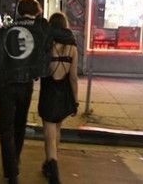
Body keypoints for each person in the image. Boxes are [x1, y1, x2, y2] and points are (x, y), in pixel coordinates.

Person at [0, 0, 50, 184]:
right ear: (36, 11)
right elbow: (46, 56)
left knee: (5, 129)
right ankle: (15, 159)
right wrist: (38, 73)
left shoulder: (5, 31)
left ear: (19, 11)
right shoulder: (40, 31)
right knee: (20, 125)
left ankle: (11, 172)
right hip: (25, 85)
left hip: (5, 84)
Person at [38, 12, 79, 184]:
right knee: (57, 130)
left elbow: (40, 68)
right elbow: (74, 77)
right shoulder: (73, 47)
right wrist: (75, 100)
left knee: (49, 132)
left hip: (48, 89)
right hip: (64, 92)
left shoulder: (47, 43)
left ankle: (53, 169)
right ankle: (50, 163)